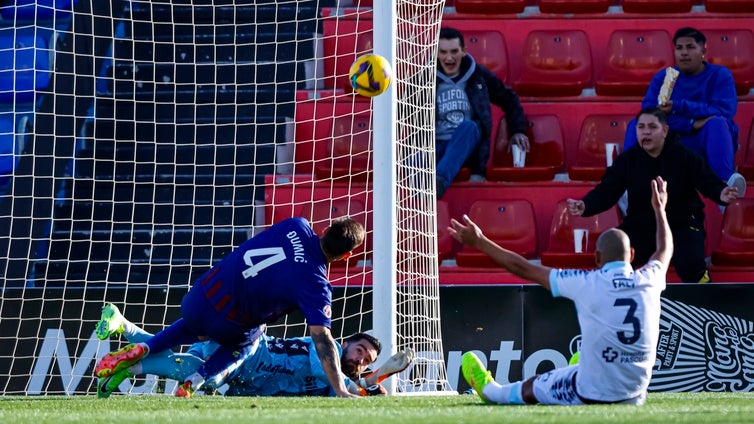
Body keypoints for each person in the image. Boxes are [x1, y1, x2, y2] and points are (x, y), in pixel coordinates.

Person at [450, 174, 673, 406]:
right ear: (633, 256)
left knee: (529, 388)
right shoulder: (650, 279)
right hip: (635, 395)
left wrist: (480, 241)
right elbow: (664, 249)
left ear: (596, 258)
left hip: (589, 393)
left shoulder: (588, 282)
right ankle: (579, 367)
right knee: (574, 371)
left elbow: (522, 268)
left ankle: (489, 390)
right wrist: (660, 210)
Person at [94, 216, 366, 398]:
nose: (362, 359)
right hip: (232, 324)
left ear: (327, 228)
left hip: (202, 293)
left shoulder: (297, 224)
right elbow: (322, 338)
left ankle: (144, 345)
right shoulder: (316, 285)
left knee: (193, 328)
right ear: (346, 256)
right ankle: (194, 380)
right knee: (243, 344)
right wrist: (342, 389)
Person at [569, 107, 740, 283]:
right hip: (641, 225)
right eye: (641, 127)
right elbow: (606, 192)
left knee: (691, 263)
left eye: (652, 127)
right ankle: (614, 298)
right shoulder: (627, 161)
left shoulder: (684, 156)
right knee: (614, 250)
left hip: (683, 224)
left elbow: (706, 180)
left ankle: (705, 300)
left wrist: (721, 192)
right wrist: (585, 205)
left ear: (665, 131)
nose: (646, 132)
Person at [94, 304, 390, 398]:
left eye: (366, 361)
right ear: (346, 343)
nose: (361, 358)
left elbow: (343, 396)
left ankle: (125, 328)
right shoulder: (329, 350)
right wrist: (366, 385)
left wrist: (372, 387)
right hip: (250, 349)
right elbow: (324, 372)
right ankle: (130, 367)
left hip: (247, 380)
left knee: (185, 362)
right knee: (197, 374)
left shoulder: (337, 385)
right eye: (360, 349)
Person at [623, 27, 746, 194]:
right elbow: (649, 113)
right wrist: (691, 124)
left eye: (690, 47)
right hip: (672, 139)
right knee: (638, 124)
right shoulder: (664, 77)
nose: (684, 53)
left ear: (703, 50)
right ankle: (630, 183)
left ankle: (723, 185)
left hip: (705, 140)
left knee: (717, 123)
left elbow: (723, 110)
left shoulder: (720, 75)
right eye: (679, 48)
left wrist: (679, 106)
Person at [435, 26, 528, 198]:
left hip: (466, 147)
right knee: (414, 156)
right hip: (434, 145)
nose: (449, 57)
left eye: (454, 51)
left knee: (469, 127)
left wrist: (518, 130)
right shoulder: (423, 79)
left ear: (463, 52)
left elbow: (509, 98)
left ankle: (438, 182)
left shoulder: (478, 75)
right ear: (437, 53)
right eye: (443, 52)